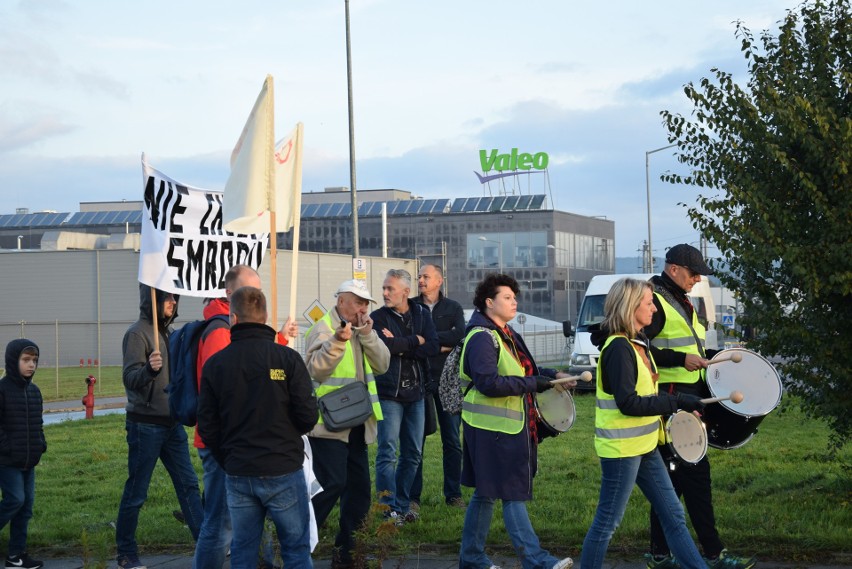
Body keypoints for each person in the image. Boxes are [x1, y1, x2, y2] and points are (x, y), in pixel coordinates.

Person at [580, 277, 708, 569]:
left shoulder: (639, 344)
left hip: (646, 445)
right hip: (623, 450)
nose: (653, 309)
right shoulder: (619, 349)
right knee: (607, 524)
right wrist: (677, 402)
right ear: (630, 306)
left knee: (674, 516)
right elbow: (629, 403)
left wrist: (680, 407)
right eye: (648, 303)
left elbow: (647, 394)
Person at [645, 244, 756, 569]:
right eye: (693, 273)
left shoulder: (681, 300)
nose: (696, 279)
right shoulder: (655, 301)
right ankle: (712, 553)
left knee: (673, 479)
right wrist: (682, 359)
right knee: (693, 476)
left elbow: (687, 345)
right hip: (671, 401)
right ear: (674, 268)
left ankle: (660, 554)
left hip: (688, 398)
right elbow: (638, 348)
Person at [458, 273, 573, 569]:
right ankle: (536, 561)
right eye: (507, 297)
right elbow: (489, 383)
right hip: (492, 430)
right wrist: (535, 383)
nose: (514, 302)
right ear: (489, 302)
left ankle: (471, 560)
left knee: (486, 493)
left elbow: (525, 369)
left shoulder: (504, 332)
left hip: (501, 428)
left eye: (514, 297)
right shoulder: (482, 337)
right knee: (511, 492)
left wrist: (551, 375)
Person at [197, 286, 318, 568]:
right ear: (265, 318)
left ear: (233, 318)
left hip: (239, 471)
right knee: (296, 551)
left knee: (243, 549)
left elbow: (208, 425)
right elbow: (308, 416)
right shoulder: (287, 359)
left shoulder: (216, 365)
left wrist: (226, 458)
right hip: (283, 467)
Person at [116, 285, 204, 569]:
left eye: (174, 296)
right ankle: (126, 553)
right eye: (165, 297)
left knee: (189, 485)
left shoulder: (169, 334)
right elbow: (130, 378)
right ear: (150, 300)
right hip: (145, 426)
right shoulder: (137, 333)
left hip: (172, 424)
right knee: (137, 492)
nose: (172, 301)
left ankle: (206, 542)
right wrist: (148, 370)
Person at [305, 279, 390, 569]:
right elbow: (315, 368)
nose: (364, 308)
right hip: (327, 425)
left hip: (356, 423)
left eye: (366, 303)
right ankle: (298, 540)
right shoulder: (323, 328)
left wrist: (368, 335)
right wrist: (338, 342)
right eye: (359, 301)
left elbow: (382, 364)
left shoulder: (363, 329)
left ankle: (349, 553)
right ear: (342, 302)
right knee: (331, 484)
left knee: (359, 491)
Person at [370, 269, 439, 523]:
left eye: (390, 289)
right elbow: (385, 347)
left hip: (417, 394)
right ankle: (386, 509)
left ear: (406, 292)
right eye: (384, 288)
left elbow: (432, 346)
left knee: (413, 453)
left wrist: (403, 343)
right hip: (389, 393)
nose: (385, 293)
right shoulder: (377, 317)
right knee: (387, 452)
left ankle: (402, 505)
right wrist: (415, 341)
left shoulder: (422, 313)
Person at [411, 264, 466, 510]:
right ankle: (413, 498)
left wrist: (427, 340)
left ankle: (453, 495)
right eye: (419, 277)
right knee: (416, 441)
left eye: (425, 277)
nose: (420, 280)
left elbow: (459, 337)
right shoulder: (411, 307)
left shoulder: (453, 308)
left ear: (439, 281)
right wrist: (439, 342)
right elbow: (410, 337)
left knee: (452, 440)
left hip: (448, 381)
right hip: (419, 379)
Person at [0, 339, 46, 569]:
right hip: (7, 461)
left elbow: (38, 423)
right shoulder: (2, 390)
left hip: (29, 460)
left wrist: (41, 443)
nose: (31, 365)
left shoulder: (35, 392)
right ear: (13, 360)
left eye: (34, 360)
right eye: (26, 360)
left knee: (25, 507)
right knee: (14, 500)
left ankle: (15, 555)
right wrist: (6, 448)